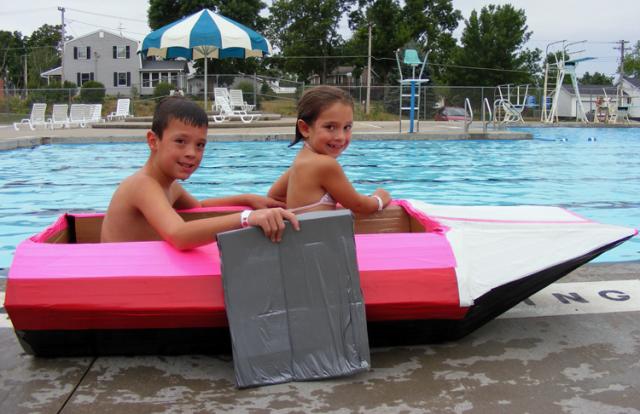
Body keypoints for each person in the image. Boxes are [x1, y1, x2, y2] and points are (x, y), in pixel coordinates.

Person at [101, 96, 299, 249]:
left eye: (200, 145)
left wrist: (247, 199)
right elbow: (179, 234)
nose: (191, 153)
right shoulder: (142, 184)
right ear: (153, 141)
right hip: (116, 278)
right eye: (180, 141)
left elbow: (199, 207)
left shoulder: (170, 186)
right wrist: (247, 218)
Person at [268, 86, 391, 214]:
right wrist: (379, 199)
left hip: (305, 228)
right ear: (305, 128)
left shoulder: (301, 161)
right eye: (330, 127)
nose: (340, 137)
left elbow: (275, 196)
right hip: (319, 229)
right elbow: (359, 206)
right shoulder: (325, 165)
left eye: (347, 127)